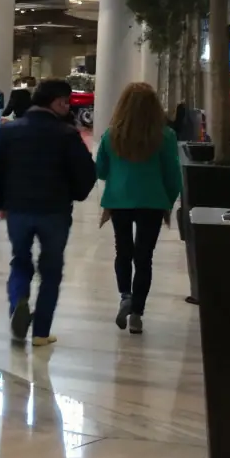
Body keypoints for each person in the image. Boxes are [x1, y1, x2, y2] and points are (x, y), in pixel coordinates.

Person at [0, 79, 96, 346]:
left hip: (18, 210)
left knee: (20, 261)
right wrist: (76, 195)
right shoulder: (67, 134)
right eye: (66, 102)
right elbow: (86, 173)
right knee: (51, 269)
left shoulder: (10, 131)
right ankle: (41, 332)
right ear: (57, 102)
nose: (68, 106)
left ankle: (18, 302)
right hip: (54, 212)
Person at [96, 82, 183, 335]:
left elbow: (100, 170)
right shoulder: (165, 136)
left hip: (119, 201)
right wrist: (167, 200)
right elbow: (173, 176)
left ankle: (125, 295)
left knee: (123, 251)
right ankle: (137, 314)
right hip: (152, 202)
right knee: (144, 257)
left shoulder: (111, 135)